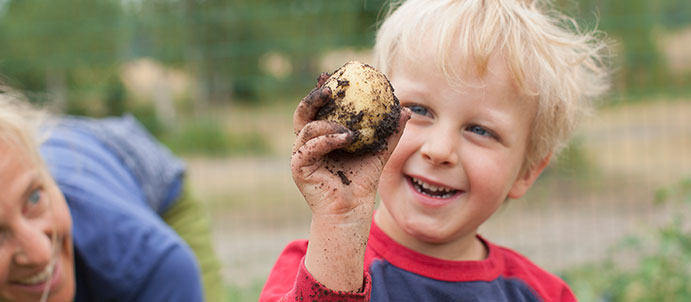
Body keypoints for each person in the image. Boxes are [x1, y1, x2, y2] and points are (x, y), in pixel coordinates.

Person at [260, 0, 610, 301]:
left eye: (479, 130)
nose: (440, 150)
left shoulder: (542, 294)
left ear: (527, 171)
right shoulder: (312, 269)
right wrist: (340, 223)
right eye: (420, 111)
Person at [0, 88, 226, 302]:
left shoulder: (146, 261)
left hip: (146, 185)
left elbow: (172, 272)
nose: (41, 252)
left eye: (34, 198)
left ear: (48, 177)